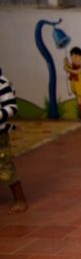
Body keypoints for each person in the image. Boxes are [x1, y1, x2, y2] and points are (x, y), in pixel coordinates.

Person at [0, 68, 28, 214]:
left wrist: (1, 114)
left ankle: (20, 198)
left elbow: (12, 107)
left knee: (4, 166)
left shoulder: (2, 84)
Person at [63, 46, 81, 119]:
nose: (76, 59)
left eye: (79, 58)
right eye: (74, 56)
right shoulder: (73, 65)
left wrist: (67, 68)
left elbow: (73, 71)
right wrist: (66, 63)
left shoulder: (80, 69)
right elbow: (69, 65)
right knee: (79, 100)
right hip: (76, 87)